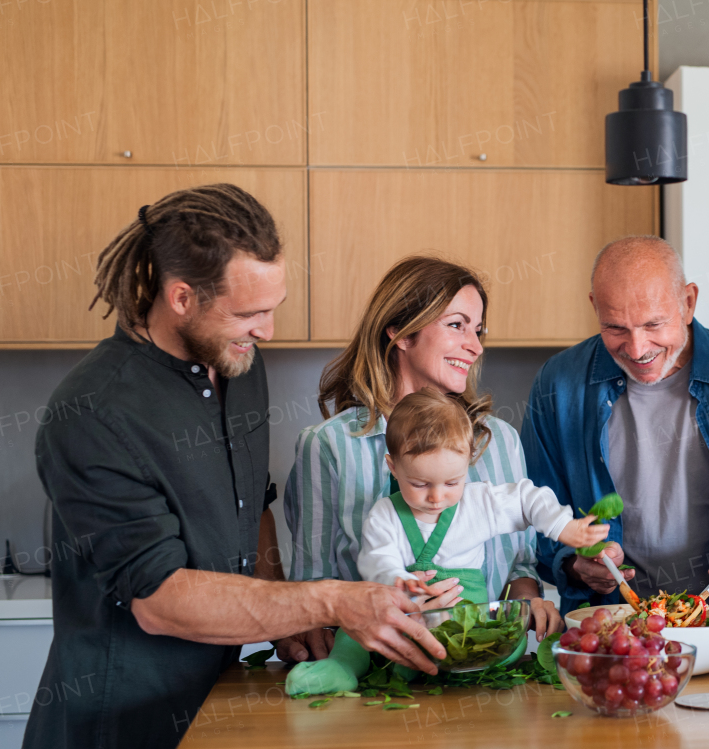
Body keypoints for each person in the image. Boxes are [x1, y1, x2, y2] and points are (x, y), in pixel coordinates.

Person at [25, 185, 447, 749]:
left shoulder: (239, 362)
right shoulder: (93, 413)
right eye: (249, 313)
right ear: (181, 299)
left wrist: (285, 616)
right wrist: (325, 600)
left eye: (273, 308)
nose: (267, 331)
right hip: (122, 720)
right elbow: (160, 599)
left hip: (218, 699)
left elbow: (254, 503)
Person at [521, 236, 709, 645]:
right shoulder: (557, 386)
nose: (638, 348)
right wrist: (572, 563)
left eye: (653, 324)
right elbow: (531, 517)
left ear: (689, 302)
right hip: (604, 636)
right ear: (594, 307)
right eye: (615, 328)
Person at [284, 256, 564, 649]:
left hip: (479, 664)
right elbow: (313, 583)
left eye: (479, 330)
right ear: (400, 332)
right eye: (457, 325)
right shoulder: (330, 446)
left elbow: (519, 565)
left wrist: (528, 600)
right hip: (375, 671)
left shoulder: (498, 441)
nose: (475, 346)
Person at [285, 389, 608, 694]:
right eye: (420, 483)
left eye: (452, 482)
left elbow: (526, 500)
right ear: (393, 467)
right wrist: (402, 584)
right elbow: (376, 559)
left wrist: (564, 526)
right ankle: (341, 669)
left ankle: (459, 664)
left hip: (467, 623)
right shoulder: (385, 514)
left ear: (467, 463)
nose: (437, 497)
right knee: (351, 636)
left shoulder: (478, 502)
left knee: (509, 639)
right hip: (404, 619)